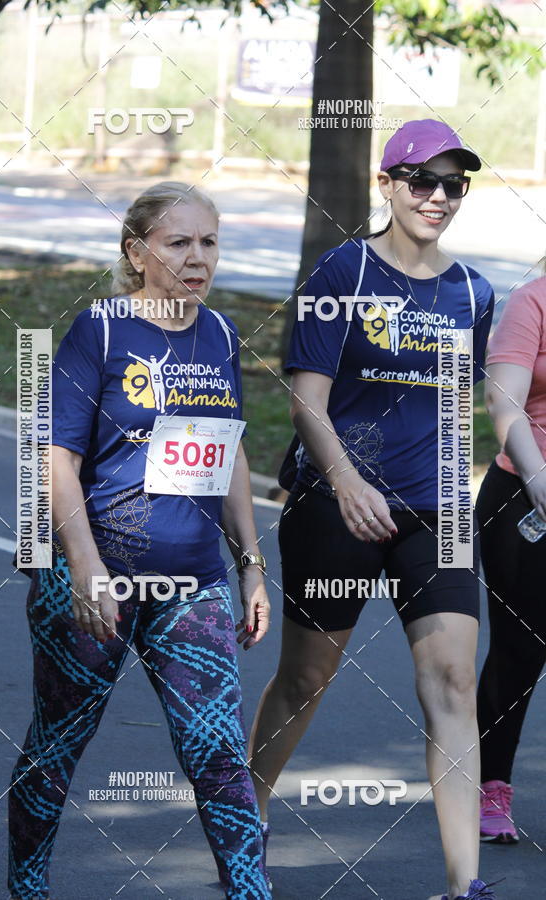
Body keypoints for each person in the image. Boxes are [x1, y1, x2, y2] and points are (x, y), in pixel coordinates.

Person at [248, 120, 497, 900]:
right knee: (304, 680)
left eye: (452, 184)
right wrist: (349, 483)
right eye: (421, 180)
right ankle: (244, 813)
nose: (436, 196)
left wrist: (463, 496)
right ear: (386, 184)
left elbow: (455, 410)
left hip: (437, 512)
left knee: (455, 681)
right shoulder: (342, 272)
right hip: (336, 504)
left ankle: (465, 887)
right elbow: (307, 401)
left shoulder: (473, 293)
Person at [8, 182, 272, 900]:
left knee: (217, 752)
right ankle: (27, 886)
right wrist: (86, 564)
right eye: (179, 242)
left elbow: (232, 451)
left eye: (209, 242)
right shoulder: (98, 331)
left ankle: (251, 892)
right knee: (59, 745)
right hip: (97, 577)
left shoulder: (218, 335)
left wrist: (249, 562)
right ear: (137, 252)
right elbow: (55, 456)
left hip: (192, 582)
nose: (198, 258)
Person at [475, 274, 546, 843]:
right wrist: (541, 479)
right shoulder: (533, 299)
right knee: (521, 650)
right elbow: (504, 400)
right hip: (525, 498)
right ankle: (489, 784)